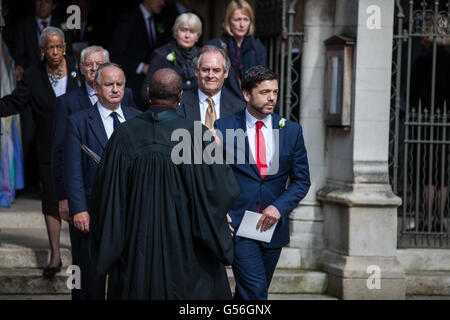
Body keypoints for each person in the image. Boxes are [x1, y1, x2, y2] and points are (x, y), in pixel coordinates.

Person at [89, 68, 240, 299]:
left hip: (136, 247)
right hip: (186, 251)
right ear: (180, 97)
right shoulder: (195, 134)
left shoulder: (124, 134)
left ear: (148, 92)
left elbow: (105, 193)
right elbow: (219, 189)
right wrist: (217, 216)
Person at [214, 66, 311, 300]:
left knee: (251, 293)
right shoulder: (223, 128)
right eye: (265, 92)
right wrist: (219, 212)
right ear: (247, 95)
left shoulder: (291, 130)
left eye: (275, 92)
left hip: (272, 228)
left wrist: (279, 207)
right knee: (256, 293)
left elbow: (302, 180)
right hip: (239, 226)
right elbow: (214, 178)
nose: (271, 98)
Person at [0, 26, 81, 278]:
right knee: (52, 202)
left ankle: (82, 253)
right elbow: (15, 101)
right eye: (50, 48)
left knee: (80, 199)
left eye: (59, 47)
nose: (55, 52)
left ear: (65, 48)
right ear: (42, 50)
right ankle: (55, 254)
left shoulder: (79, 69)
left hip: (81, 145)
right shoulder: (34, 75)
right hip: (49, 147)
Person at [64, 63, 140, 300]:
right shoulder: (78, 121)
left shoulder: (137, 118)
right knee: (89, 280)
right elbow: (72, 170)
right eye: (109, 84)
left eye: (120, 84)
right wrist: (78, 209)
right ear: (96, 87)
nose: (115, 89)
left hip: (128, 214)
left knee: (125, 279)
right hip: (91, 213)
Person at [52, 45, 135, 224]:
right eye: (89, 64)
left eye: (100, 64)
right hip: (91, 198)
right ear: (81, 68)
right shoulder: (68, 105)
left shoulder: (128, 100)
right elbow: (62, 156)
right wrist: (65, 197)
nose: (94, 68)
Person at [109, 0, 166, 109]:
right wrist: (141, 67)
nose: (162, 2)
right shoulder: (129, 19)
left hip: (151, 87)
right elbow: (115, 55)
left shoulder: (158, 19)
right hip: (133, 86)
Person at [208, 0, 266, 101]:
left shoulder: (257, 47)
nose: (242, 24)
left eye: (246, 19)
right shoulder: (215, 46)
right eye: (237, 19)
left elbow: (261, 80)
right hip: (223, 104)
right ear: (228, 21)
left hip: (250, 106)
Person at [176, 45, 245, 130]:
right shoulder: (179, 103)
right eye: (205, 70)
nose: (210, 75)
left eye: (216, 70)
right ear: (196, 72)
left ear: (226, 73)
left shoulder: (238, 108)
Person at [141, 12, 202, 103]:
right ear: (175, 32)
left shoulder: (201, 55)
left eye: (192, 32)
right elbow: (146, 91)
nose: (187, 36)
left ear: (197, 36)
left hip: (195, 109)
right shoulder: (161, 55)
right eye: (183, 30)